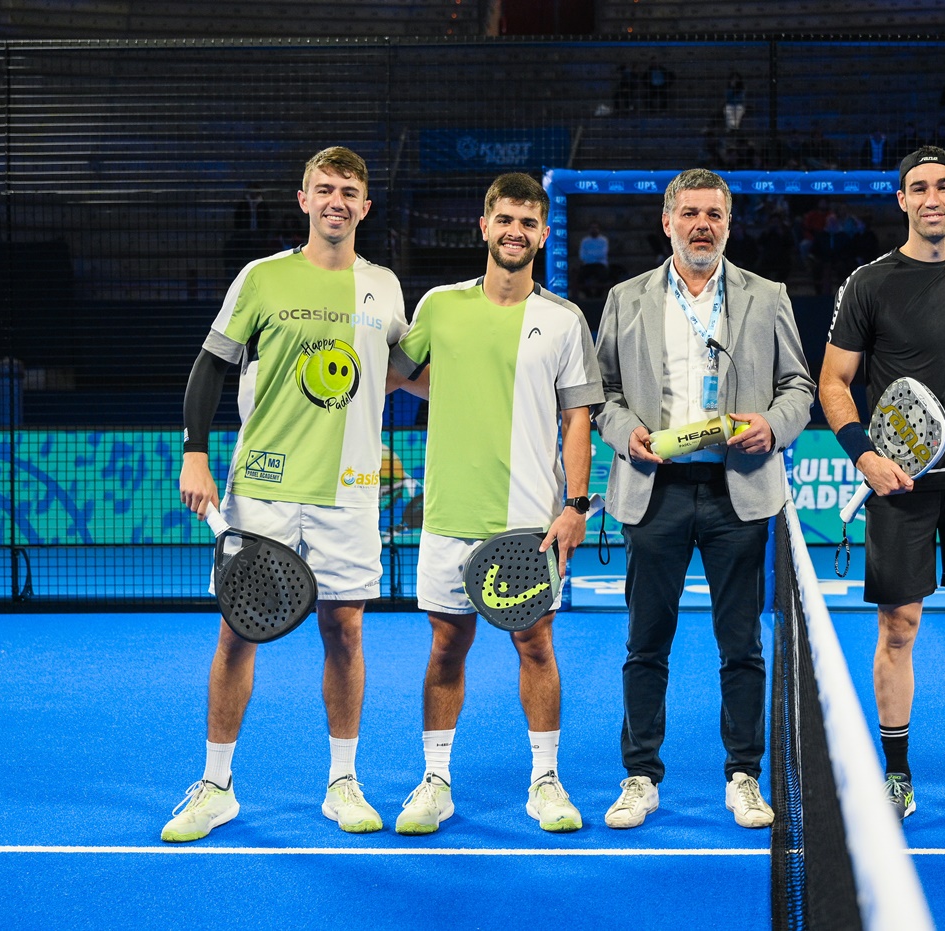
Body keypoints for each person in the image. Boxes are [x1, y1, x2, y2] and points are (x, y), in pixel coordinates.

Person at [163, 146, 410, 842]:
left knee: (346, 628)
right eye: (324, 188)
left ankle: (342, 782)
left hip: (351, 488)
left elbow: (405, 371)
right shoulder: (261, 278)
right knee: (240, 631)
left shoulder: (386, 288)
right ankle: (216, 786)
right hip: (264, 486)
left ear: (365, 206)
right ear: (303, 199)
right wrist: (194, 453)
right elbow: (210, 366)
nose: (336, 200)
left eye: (349, 191)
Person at [595, 168, 814, 830]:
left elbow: (798, 385)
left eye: (713, 214)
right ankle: (639, 776)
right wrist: (621, 430)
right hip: (654, 490)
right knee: (645, 641)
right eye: (689, 213)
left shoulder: (766, 295)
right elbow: (600, 390)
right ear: (667, 222)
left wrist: (774, 426)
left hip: (737, 491)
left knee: (742, 642)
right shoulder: (625, 297)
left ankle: (743, 774)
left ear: (728, 223)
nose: (701, 224)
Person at [389, 173, 603, 835]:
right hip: (449, 516)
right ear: (484, 226)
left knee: (535, 645)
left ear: (543, 234)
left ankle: (545, 781)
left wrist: (575, 506)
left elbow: (577, 420)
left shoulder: (564, 320)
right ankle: (435, 781)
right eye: (505, 219)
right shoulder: (439, 306)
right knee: (446, 647)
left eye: (528, 223)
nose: (515, 232)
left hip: (530, 523)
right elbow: (399, 371)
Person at [820, 146, 945, 828]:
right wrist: (865, 457)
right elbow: (834, 383)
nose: (932, 197)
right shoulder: (870, 284)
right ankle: (897, 776)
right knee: (898, 626)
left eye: (944, 186)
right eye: (919, 188)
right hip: (899, 484)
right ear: (901, 200)